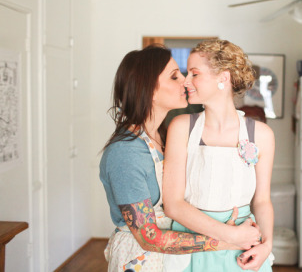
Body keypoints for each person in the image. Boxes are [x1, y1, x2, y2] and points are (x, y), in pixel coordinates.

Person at [100, 44, 260, 271]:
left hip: (169, 261)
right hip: (139, 260)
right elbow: (149, 238)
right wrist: (229, 240)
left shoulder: (163, 137)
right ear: (150, 91)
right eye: (175, 77)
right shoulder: (125, 153)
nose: (186, 81)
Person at [163, 39, 275, 271]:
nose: (186, 81)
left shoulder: (261, 134)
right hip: (194, 245)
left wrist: (267, 245)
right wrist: (231, 235)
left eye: (194, 74)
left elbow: (262, 201)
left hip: (244, 250)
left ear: (223, 78)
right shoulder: (182, 127)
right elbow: (173, 205)